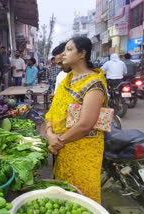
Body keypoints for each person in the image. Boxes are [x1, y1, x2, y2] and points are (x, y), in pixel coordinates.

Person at [45, 37, 107, 204]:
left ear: (82, 54)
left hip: (82, 151)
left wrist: (58, 141)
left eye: (69, 49)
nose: (63, 54)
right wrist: (50, 133)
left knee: (82, 198)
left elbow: (86, 125)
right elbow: (53, 111)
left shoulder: (94, 84)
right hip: (62, 148)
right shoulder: (68, 79)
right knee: (64, 195)